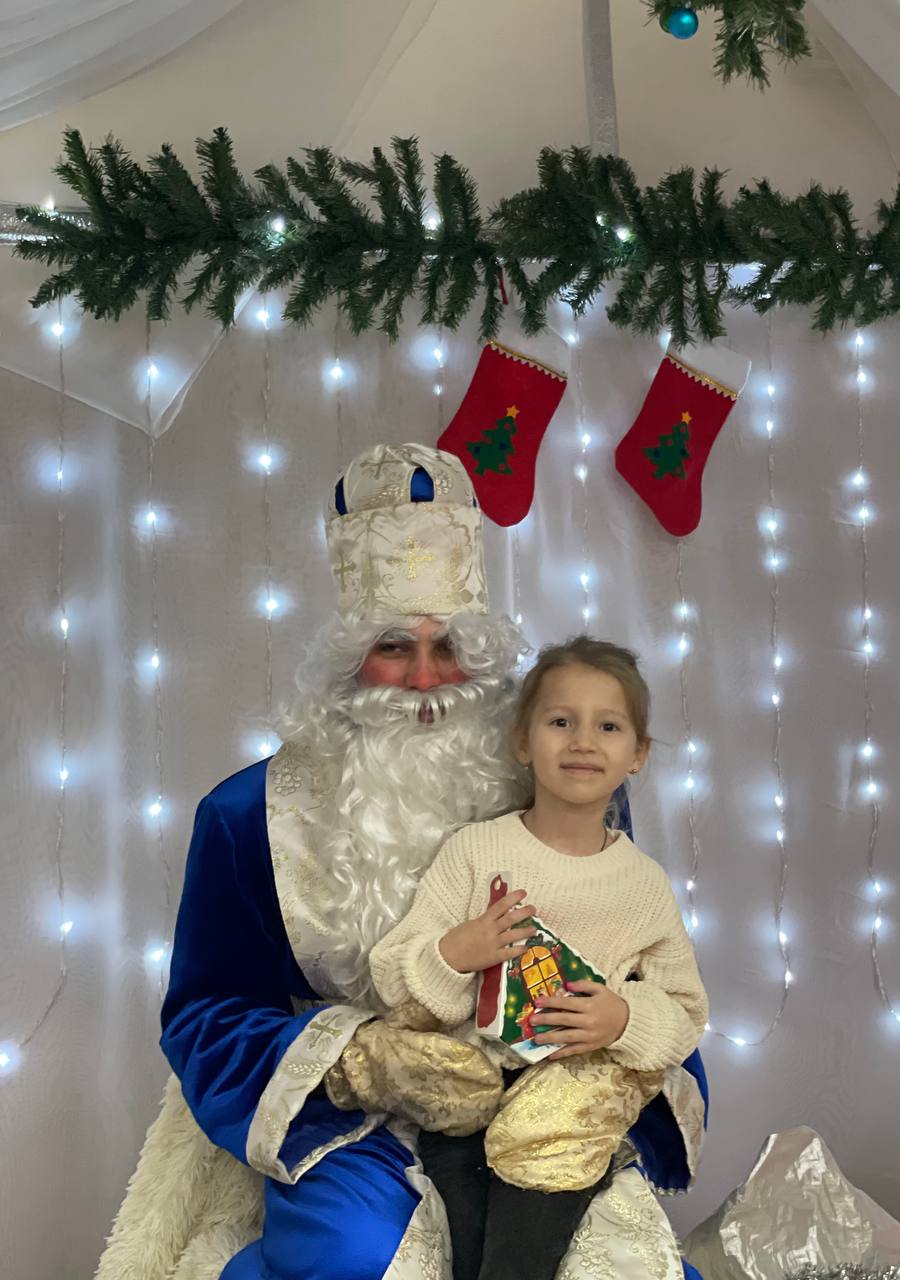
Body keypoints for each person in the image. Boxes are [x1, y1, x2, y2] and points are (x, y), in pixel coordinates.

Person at [95, 443, 708, 1280]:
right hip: (352, 1122)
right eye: (393, 645)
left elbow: (651, 973)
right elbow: (205, 1012)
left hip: (542, 1096)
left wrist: (616, 1033)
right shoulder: (248, 816)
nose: (424, 679)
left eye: (448, 645)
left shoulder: (561, 787)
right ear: (349, 658)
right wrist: (356, 1061)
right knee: (364, 1259)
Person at [364, 636, 708, 1280]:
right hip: (468, 1101)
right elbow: (394, 974)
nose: (583, 742)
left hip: (567, 1110)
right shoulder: (474, 852)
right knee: (466, 1249)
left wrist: (623, 1018)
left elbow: (685, 1008)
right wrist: (455, 953)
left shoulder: (642, 885)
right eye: (560, 722)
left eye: (608, 727)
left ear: (637, 754)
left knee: (517, 1260)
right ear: (523, 741)